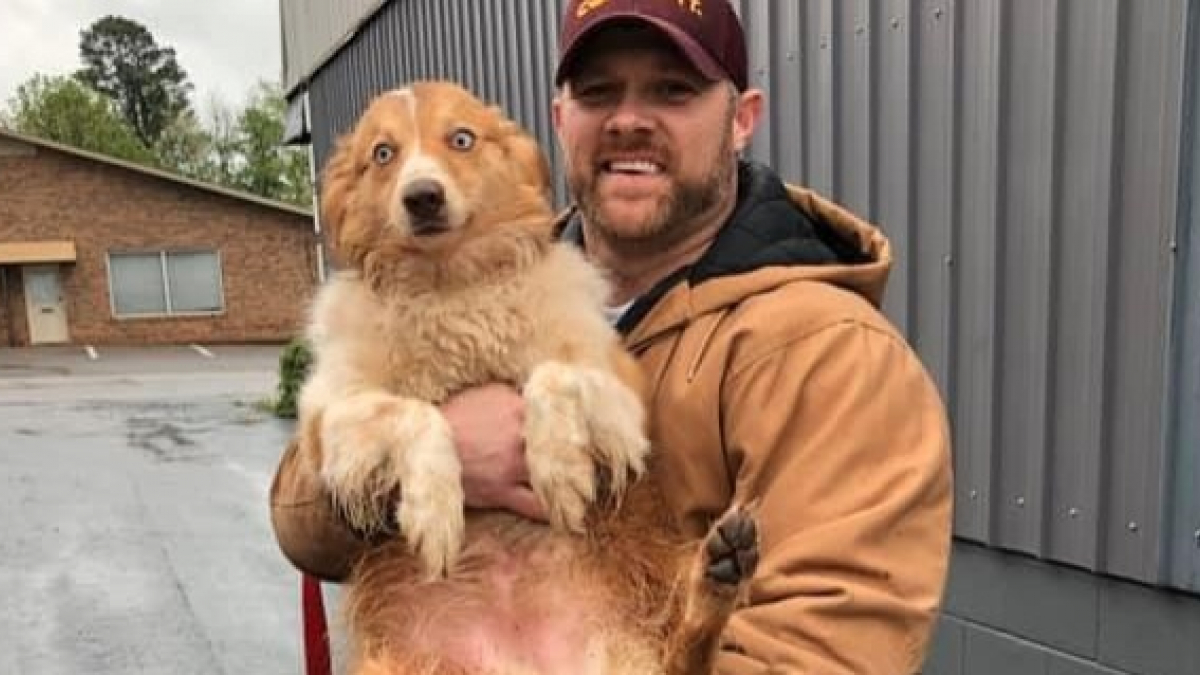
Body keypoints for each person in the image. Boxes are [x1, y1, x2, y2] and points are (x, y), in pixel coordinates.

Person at [269, 0, 954, 672]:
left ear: (743, 118)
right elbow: (300, 523)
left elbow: (819, 656)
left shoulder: (829, 353)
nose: (629, 118)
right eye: (599, 92)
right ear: (561, 119)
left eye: (672, 89)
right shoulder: (480, 272)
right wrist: (436, 453)